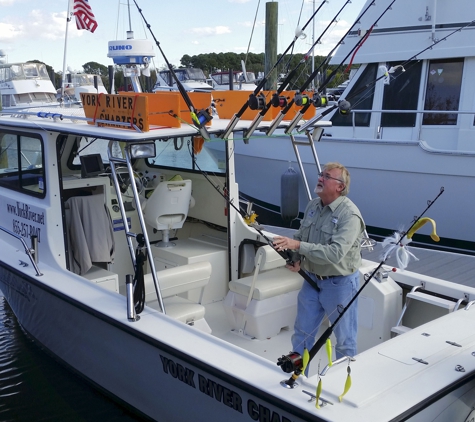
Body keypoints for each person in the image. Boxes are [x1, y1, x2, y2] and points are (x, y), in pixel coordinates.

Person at [273, 162, 365, 363]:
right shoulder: (313, 205)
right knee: (301, 336)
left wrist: (297, 246)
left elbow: (335, 253)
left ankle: (342, 387)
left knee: (345, 341)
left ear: (340, 187)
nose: (320, 178)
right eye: (321, 174)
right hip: (311, 280)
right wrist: (295, 258)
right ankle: (298, 379)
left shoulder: (349, 215)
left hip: (339, 285)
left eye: (326, 176)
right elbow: (302, 235)